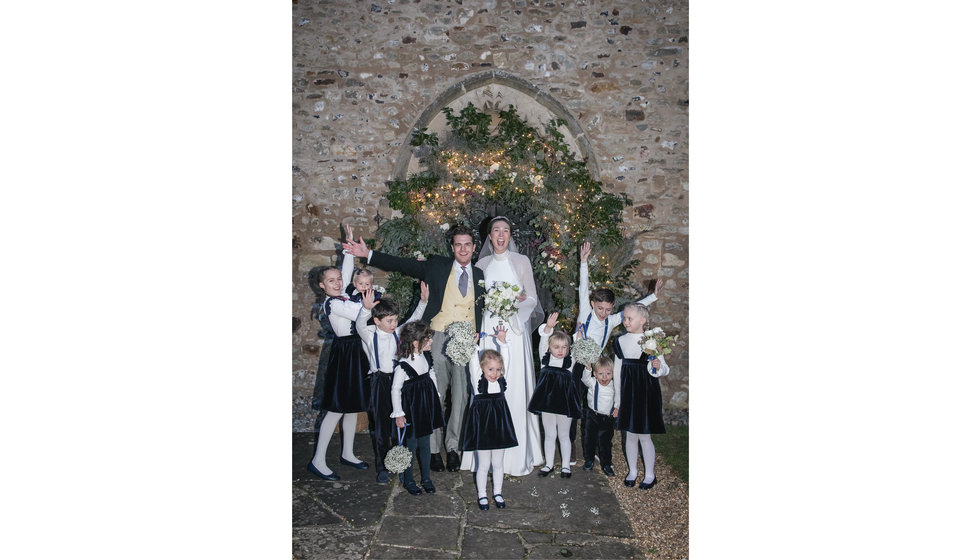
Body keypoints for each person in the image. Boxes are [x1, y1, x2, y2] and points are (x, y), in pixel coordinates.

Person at [343, 225, 485, 473]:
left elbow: (484, 307)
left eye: (467, 244)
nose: (463, 249)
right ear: (452, 248)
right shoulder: (437, 266)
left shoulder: (480, 274)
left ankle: (453, 448)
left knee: (462, 397)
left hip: (465, 343)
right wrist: (369, 255)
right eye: (458, 244)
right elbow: (404, 264)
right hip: (437, 336)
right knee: (435, 395)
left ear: (474, 248)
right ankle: (432, 450)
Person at [571, 241, 663, 461]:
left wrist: (653, 296)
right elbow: (584, 288)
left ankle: (597, 447)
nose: (604, 313)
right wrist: (583, 262)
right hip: (576, 364)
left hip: (596, 367)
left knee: (597, 407)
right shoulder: (586, 311)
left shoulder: (610, 321)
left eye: (608, 309)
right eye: (600, 308)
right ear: (593, 304)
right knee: (573, 406)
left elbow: (632, 310)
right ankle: (573, 449)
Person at [467, 216, 544, 476]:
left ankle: (514, 454)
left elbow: (531, 298)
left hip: (512, 331)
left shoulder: (522, 262)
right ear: (489, 236)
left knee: (511, 385)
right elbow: (476, 301)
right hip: (490, 332)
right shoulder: (482, 264)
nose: (501, 235)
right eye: (496, 231)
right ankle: (483, 452)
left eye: (506, 231)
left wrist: (511, 309)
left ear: (511, 235)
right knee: (485, 384)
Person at [306, 257, 372, 481]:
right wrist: (370, 306)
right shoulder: (334, 303)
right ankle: (318, 460)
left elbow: (346, 271)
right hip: (345, 355)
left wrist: (348, 251)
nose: (337, 283)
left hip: (356, 352)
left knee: (352, 407)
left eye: (339, 280)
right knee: (336, 409)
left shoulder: (343, 294)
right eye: (331, 281)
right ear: (322, 285)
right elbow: (358, 314)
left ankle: (347, 453)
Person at [356, 282, 428, 483]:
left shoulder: (398, 332)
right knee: (381, 427)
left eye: (395, 320)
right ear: (377, 321)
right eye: (389, 321)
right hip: (380, 382)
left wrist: (423, 301)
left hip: (400, 381)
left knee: (401, 422)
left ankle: (401, 463)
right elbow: (360, 324)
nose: (394, 324)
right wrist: (365, 310)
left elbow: (413, 319)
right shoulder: (370, 336)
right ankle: (382, 467)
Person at [613, 303, 670, 490]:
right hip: (628, 393)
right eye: (624, 318)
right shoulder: (620, 342)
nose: (625, 321)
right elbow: (617, 372)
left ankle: (650, 474)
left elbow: (663, 369)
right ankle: (633, 471)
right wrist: (618, 401)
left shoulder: (652, 340)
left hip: (646, 394)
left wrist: (657, 366)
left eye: (630, 318)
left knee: (644, 436)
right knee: (629, 434)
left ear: (642, 320)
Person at [459, 325, 515, 510]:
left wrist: (502, 342)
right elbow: (473, 362)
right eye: (490, 369)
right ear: (482, 369)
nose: (494, 373)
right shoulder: (478, 381)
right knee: (483, 464)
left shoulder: (501, 381)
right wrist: (474, 345)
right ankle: (482, 494)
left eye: (498, 370)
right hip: (483, 426)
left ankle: (497, 492)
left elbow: (506, 359)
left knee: (498, 463)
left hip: (499, 426)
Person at [391, 321, 445, 495]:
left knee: (425, 444)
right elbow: (395, 389)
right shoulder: (403, 366)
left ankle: (426, 477)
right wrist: (399, 414)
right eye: (427, 339)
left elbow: (431, 373)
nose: (430, 341)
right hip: (412, 411)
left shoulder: (425, 357)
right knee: (410, 446)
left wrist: (436, 394)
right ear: (416, 343)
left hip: (425, 408)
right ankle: (408, 479)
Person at [528, 312, 582, 479]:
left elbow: (578, 347)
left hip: (564, 403)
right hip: (547, 403)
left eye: (564, 347)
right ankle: (549, 464)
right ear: (550, 348)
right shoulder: (545, 358)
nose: (560, 351)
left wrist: (579, 336)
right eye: (556, 347)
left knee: (564, 435)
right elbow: (544, 339)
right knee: (550, 434)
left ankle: (566, 466)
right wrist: (549, 327)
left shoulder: (570, 362)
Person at [580, 356, 617, 477]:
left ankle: (606, 463)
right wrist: (587, 369)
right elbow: (584, 379)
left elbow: (619, 399)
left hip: (608, 418)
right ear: (595, 374)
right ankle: (589, 460)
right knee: (589, 439)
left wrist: (617, 408)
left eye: (608, 373)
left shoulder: (614, 386)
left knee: (605, 442)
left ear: (613, 374)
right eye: (601, 374)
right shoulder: (593, 383)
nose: (604, 377)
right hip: (593, 416)